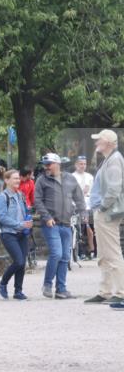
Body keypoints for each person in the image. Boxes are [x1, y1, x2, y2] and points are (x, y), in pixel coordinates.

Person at [33, 153, 86, 299]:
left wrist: (83, 213)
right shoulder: (41, 180)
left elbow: (79, 198)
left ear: (57, 164)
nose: (46, 167)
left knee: (65, 257)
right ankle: (47, 284)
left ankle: (61, 289)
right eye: (45, 164)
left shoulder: (70, 178)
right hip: (51, 223)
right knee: (56, 253)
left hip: (67, 223)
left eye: (49, 164)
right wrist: (47, 217)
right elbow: (37, 201)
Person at [85, 130, 124, 306]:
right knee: (104, 253)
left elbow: (114, 188)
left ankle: (122, 293)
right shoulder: (110, 159)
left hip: (107, 213)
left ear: (107, 142)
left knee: (112, 253)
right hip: (104, 212)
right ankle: (106, 291)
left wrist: (102, 207)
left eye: (99, 140)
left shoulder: (114, 160)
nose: (96, 143)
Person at [0, 169, 32, 301]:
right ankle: (2, 283)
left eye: (18, 178)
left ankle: (18, 291)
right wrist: (19, 225)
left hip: (22, 233)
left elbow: (24, 212)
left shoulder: (20, 195)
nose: (18, 180)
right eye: (15, 178)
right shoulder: (2, 197)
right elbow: (2, 217)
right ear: (7, 180)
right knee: (19, 260)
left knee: (22, 263)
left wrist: (28, 221)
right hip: (9, 234)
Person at [72, 156, 96, 260]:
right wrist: (82, 192)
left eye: (84, 164)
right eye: (81, 164)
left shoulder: (90, 176)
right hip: (76, 205)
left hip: (89, 205)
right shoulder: (72, 177)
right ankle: (80, 252)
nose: (83, 166)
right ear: (76, 164)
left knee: (91, 228)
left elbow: (94, 192)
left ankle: (92, 251)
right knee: (79, 229)